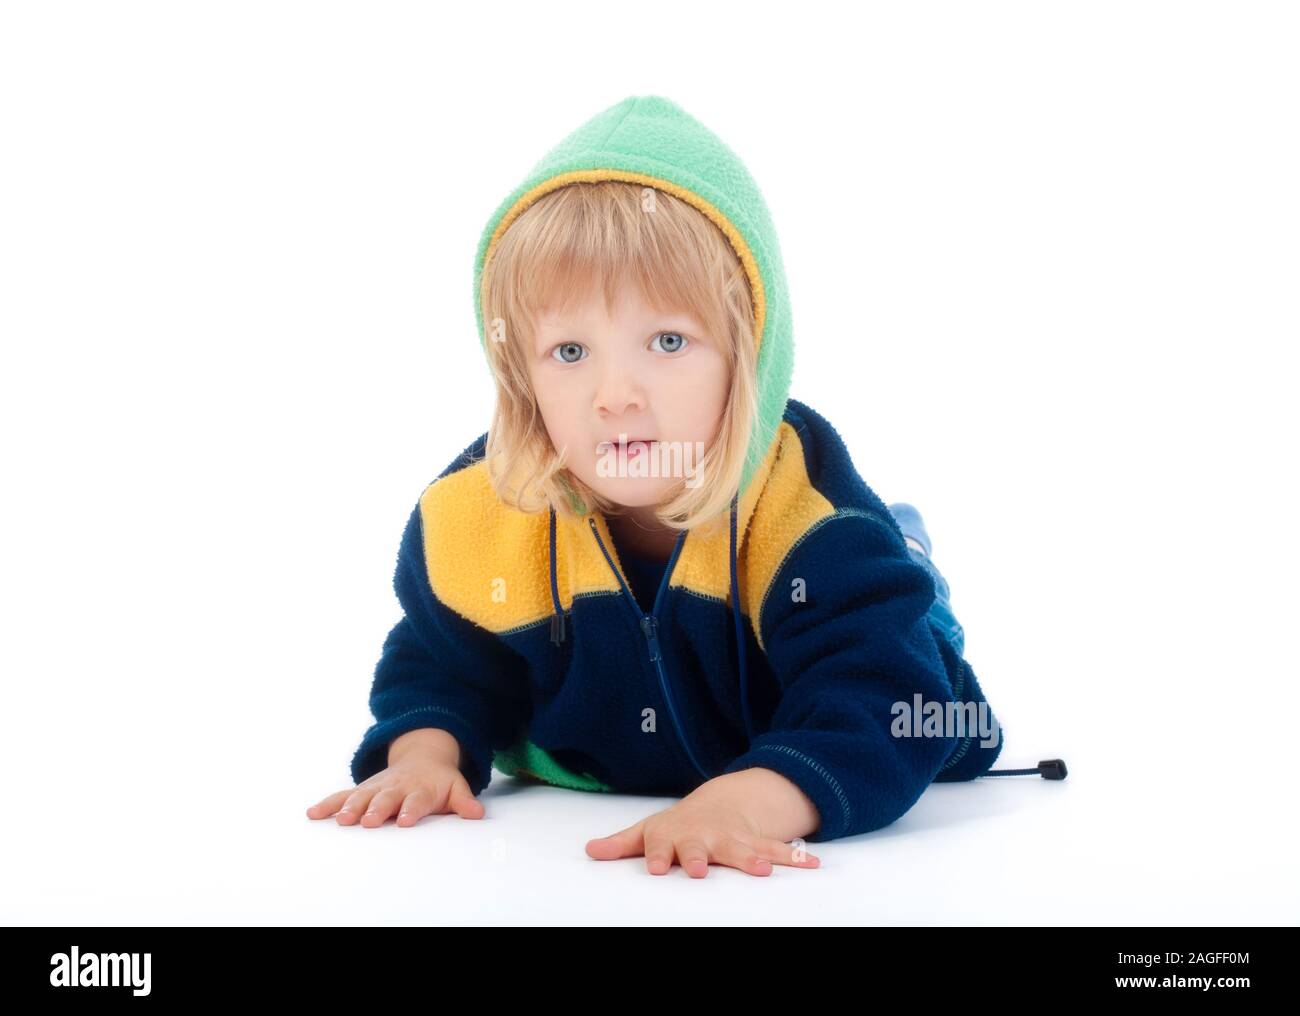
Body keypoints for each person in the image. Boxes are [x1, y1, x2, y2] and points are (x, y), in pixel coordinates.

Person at [307, 95, 1005, 876]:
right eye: (569, 352)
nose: (615, 395)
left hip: (869, 614)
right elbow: (440, 659)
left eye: (668, 340)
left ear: (749, 355)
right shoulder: (477, 516)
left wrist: (745, 801)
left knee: (916, 631)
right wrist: (425, 754)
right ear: (519, 373)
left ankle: (906, 549)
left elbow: (888, 706)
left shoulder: (812, 527)